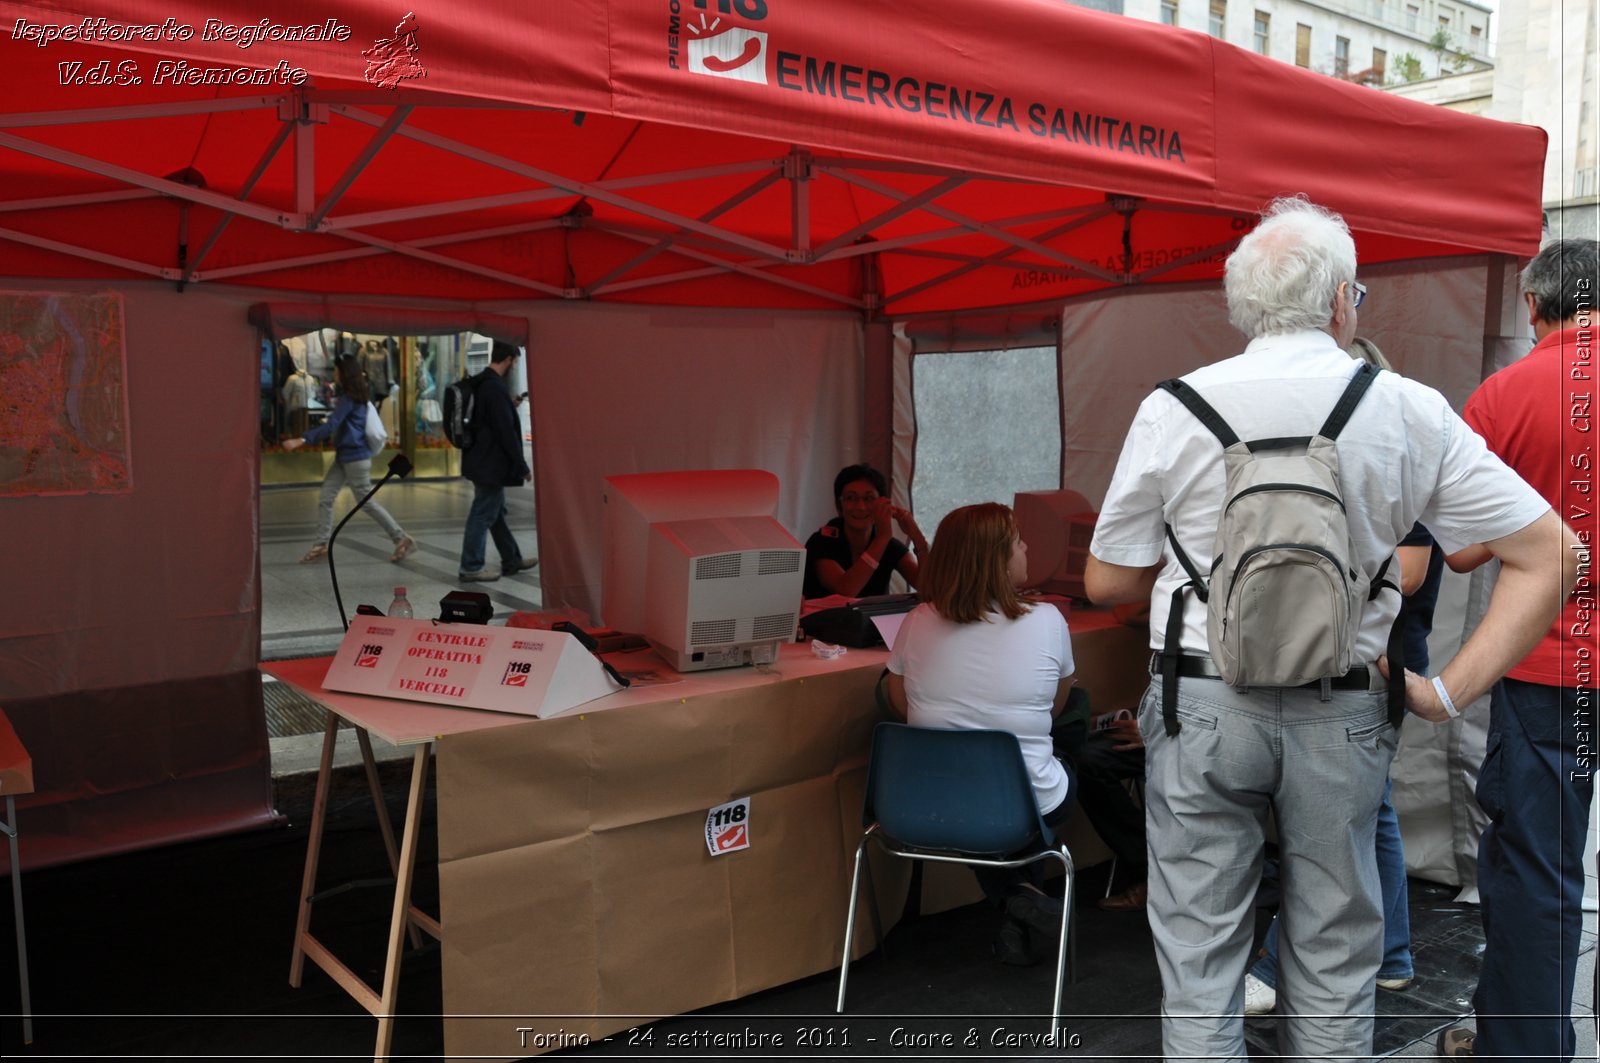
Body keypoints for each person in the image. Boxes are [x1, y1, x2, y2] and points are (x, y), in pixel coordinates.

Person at [1083, 196, 1576, 1062]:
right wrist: (1446, 690)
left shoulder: (1173, 406)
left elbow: (1106, 578)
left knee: (1200, 960)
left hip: (1199, 697)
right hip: (1344, 703)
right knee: (1337, 959)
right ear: (1344, 299)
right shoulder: (1405, 406)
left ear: (1241, 305)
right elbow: (1551, 555)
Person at [1435, 237, 1600, 1061]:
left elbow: (1462, 550)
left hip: (1553, 670)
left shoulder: (1503, 394)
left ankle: (1524, 1048)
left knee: (1538, 869)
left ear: (1533, 307)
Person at [1243, 338, 1433, 1013]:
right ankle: (1395, 954)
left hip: (1379, 664)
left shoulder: (1393, 457)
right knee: (1365, 812)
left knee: (1332, 819)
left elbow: (1411, 571)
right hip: (1352, 662)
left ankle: (1274, 963)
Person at [885, 502, 1075, 966]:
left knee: (988, 780)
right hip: (1013, 804)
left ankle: (1015, 905)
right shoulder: (1048, 621)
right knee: (1057, 755)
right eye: (1017, 541)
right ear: (995, 558)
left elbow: (898, 702)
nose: (1027, 546)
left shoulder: (915, 622)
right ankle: (1018, 897)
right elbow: (1058, 706)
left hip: (919, 803)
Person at [284, 356, 415, 564]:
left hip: (355, 458)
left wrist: (302, 439)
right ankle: (320, 544)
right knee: (327, 497)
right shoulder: (353, 396)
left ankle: (401, 538)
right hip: (345, 457)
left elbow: (332, 425)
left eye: (336, 371)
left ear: (344, 373)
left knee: (366, 502)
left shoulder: (351, 399)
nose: (334, 374)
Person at [458, 340, 537, 583]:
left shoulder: (484, 383)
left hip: (480, 459)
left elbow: (488, 418)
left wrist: (508, 404)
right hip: (489, 464)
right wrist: (521, 466)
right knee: (483, 512)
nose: (515, 366)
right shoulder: (494, 387)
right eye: (516, 361)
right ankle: (471, 566)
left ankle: (511, 558)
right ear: (510, 359)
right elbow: (505, 431)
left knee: (496, 511)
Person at [802, 464, 929, 598]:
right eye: (851, 498)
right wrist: (882, 538)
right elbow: (846, 590)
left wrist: (917, 537)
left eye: (869, 498)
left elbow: (928, 588)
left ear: (883, 503)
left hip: (871, 620)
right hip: (822, 618)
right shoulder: (822, 541)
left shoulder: (889, 545)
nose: (861, 507)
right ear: (840, 504)